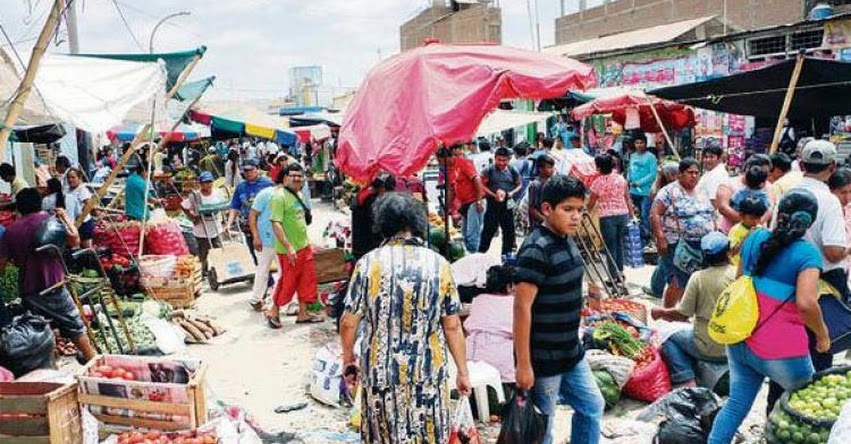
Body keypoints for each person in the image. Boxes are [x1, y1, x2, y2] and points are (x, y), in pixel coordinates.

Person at [340, 192, 471, 443]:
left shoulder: (367, 264)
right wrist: (463, 371)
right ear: (418, 222)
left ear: (382, 223)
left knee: (385, 435)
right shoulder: (439, 264)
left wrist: (348, 359)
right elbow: (452, 326)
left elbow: (349, 321)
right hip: (428, 373)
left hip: (381, 373)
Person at [708, 190, 830, 444]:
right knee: (804, 411)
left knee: (735, 406)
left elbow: (741, 281)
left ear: (777, 213)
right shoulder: (808, 254)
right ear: (811, 221)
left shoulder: (755, 237)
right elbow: (806, 303)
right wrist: (822, 336)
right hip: (782, 351)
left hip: (741, 339)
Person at [513, 174, 604, 444]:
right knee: (545, 428)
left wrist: (587, 295)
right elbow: (521, 309)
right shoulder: (535, 249)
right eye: (568, 209)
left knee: (592, 405)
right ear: (546, 209)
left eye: (579, 210)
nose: (575, 217)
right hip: (544, 358)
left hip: (570, 351)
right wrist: (524, 365)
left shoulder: (566, 238)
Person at [0, 188, 96, 362]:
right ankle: (95, 364)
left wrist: (19, 260)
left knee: (40, 331)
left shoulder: (10, 232)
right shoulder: (50, 220)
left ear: (18, 208)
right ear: (40, 203)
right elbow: (75, 240)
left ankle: (49, 369)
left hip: (29, 289)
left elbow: (1, 266)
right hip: (53, 283)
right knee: (75, 326)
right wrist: (65, 217)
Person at [651, 231, 733, 387]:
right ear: (728, 252)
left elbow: (683, 314)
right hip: (734, 347)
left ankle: (686, 379)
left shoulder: (698, 277)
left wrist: (660, 312)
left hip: (707, 347)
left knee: (667, 336)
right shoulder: (738, 274)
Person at [788, 140, 850, 303]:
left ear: (801, 165)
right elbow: (834, 253)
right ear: (832, 167)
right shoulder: (829, 201)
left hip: (789, 277)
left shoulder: (788, 194)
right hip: (824, 282)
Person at [651, 157, 715, 307]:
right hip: (677, 244)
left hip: (701, 244)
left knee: (695, 281)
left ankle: (686, 312)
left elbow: (711, 213)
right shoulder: (668, 192)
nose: (694, 176)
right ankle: (667, 314)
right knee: (676, 281)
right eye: (690, 172)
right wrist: (660, 238)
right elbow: (655, 214)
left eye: (696, 173)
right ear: (680, 174)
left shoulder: (702, 190)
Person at [266, 164, 320, 328]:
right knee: (287, 282)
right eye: (293, 175)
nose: (297, 178)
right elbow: (276, 224)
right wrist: (288, 247)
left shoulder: (299, 195)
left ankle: (303, 313)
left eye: (299, 175)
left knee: (306, 281)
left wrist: (308, 243)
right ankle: (273, 312)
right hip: (288, 250)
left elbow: (300, 221)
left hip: (304, 247)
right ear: (285, 178)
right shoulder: (278, 197)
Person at [464, 265, 516, 382]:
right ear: (508, 287)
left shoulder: (478, 300)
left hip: (470, 358)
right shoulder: (513, 303)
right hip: (501, 363)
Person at [588, 154, 635, 274]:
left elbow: (591, 202)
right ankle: (620, 272)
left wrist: (585, 212)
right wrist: (632, 214)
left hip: (607, 217)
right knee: (619, 244)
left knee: (610, 247)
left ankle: (613, 276)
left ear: (598, 167)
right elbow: (627, 198)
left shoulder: (597, 182)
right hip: (623, 214)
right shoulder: (621, 179)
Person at [247, 169, 284, 312]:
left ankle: (278, 300)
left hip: (282, 241)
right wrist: (256, 236)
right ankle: (257, 299)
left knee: (281, 272)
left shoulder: (289, 195)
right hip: (266, 240)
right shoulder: (265, 194)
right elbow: (252, 215)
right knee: (263, 270)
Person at [226, 159, 273, 265]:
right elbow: (235, 207)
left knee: (269, 250)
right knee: (255, 251)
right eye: (246, 171)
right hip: (248, 225)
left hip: (266, 224)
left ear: (257, 169)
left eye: (251, 170)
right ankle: (265, 276)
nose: (248, 173)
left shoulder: (268, 184)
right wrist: (229, 224)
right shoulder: (241, 187)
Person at [478, 147, 522, 255]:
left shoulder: (512, 170)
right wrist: (493, 195)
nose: (501, 163)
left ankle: (506, 256)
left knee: (509, 230)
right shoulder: (489, 170)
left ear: (508, 160)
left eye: (504, 160)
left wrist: (511, 193)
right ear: (495, 158)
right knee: (489, 229)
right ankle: (481, 254)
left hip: (508, 201)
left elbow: (519, 184)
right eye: (499, 160)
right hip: (493, 202)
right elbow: (482, 185)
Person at [181, 172, 226, 276]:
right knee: (203, 252)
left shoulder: (217, 192)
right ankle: (204, 271)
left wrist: (224, 220)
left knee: (218, 249)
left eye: (210, 182)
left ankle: (220, 269)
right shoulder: (195, 196)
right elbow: (183, 206)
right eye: (206, 183)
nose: (208, 185)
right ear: (200, 184)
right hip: (201, 229)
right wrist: (192, 217)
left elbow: (223, 205)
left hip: (215, 226)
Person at [716, 154, 773, 233]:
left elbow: (769, 208)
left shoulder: (767, 186)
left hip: (755, 235)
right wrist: (747, 222)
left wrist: (756, 223)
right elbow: (723, 208)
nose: (764, 177)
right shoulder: (729, 184)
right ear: (748, 169)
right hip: (729, 234)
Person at [448, 145, 486, 253]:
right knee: (464, 235)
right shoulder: (450, 168)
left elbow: (477, 179)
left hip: (474, 201)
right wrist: (448, 206)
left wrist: (479, 201)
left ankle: (475, 259)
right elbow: (452, 189)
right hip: (465, 204)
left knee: (472, 235)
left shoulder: (463, 163)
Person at [351, 173, 396, 261]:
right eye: (388, 191)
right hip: (370, 249)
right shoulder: (372, 201)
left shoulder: (363, 194)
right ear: (382, 188)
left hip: (360, 247)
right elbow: (377, 226)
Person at [627, 134, 658, 242]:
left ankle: (647, 237)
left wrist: (639, 183)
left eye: (641, 143)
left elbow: (652, 174)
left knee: (645, 214)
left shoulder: (651, 157)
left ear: (645, 144)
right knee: (635, 215)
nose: (639, 145)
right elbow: (630, 170)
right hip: (633, 191)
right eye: (637, 143)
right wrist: (628, 179)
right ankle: (639, 237)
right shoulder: (632, 156)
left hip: (646, 192)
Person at [728, 195, 769, 267]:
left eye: (758, 218)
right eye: (752, 218)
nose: (756, 221)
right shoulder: (735, 230)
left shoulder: (760, 229)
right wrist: (746, 237)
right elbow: (731, 252)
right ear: (741, 216)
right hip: (737, 268)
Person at [64, 168, 95, 248]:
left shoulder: (82, 190)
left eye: (73, 177)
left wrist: (81, 215)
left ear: (79, 178)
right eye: (69, 178)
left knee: (87, 248)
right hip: (74, 224)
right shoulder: (68, 190)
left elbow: (89, 204)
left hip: (84, 224)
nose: (70, 180)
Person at [527, 154, 556, 231]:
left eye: (552, 167)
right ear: (540, 169)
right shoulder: (535, 185)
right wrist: (545, 221)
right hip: (538, 225)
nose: (552, 170)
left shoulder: (552, 183)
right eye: (549, 167)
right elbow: (532, 209)